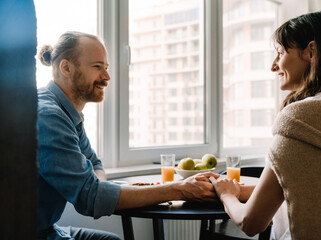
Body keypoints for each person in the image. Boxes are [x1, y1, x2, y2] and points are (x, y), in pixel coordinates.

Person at [37, 31, 220, 240]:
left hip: (50, 229)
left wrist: (97, 188)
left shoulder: (67, 114)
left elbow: (95, 164)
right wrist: (179, 190)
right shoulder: (48, 116)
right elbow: (90, 198)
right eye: (97, 67)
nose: (106, 77)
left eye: (106, 68)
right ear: (66, 68)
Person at [209, 11, 321, 240]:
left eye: (280, 53)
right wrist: (238, 189)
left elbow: (251, 222)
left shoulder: (299, 119)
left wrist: (226, 196)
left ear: (311, 51)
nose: (273, 66)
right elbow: (308, 190)